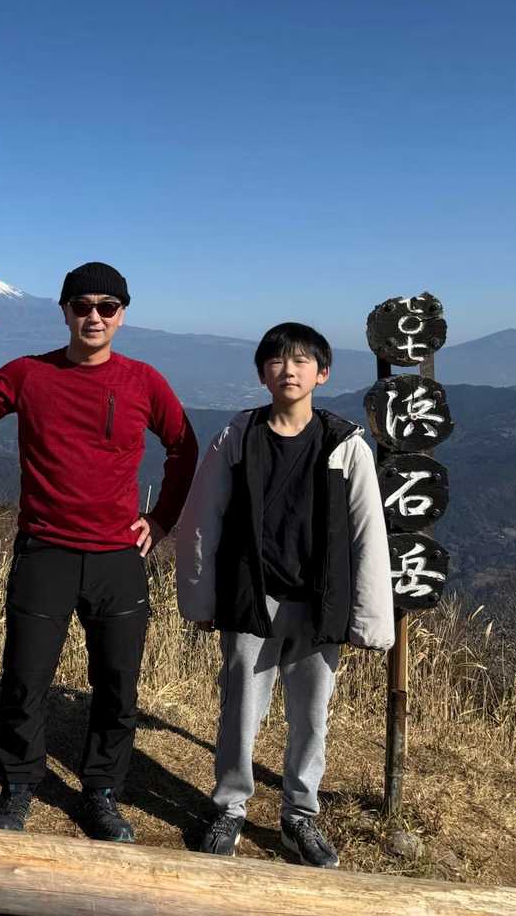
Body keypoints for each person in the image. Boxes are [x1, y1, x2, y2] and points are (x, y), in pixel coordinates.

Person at [0, 261, 198, 843]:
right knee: (25, 679)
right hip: (45, 550)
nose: (94, 316)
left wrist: (162, 519)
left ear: (122, 315)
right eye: (82, 306)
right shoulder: (30, 373)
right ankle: (18, 787)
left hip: (117, 557)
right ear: (64, 312)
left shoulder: (143, 381)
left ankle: (101, 792)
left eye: (107, 307)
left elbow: (184, 446)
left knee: (117, 684)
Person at [175, 322, 393, 868]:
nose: (288, 370)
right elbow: (202, 520)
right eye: (277, 360)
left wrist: (370, 620)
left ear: (323, 374)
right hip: (252, 596)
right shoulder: (238, 437)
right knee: (240, 709)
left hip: (320, 601)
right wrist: (201, 598)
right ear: (262, 374)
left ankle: (300, 815)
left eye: (301, 361)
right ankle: (229, 807)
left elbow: (368, 533)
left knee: (312, 715)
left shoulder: (345, 446)